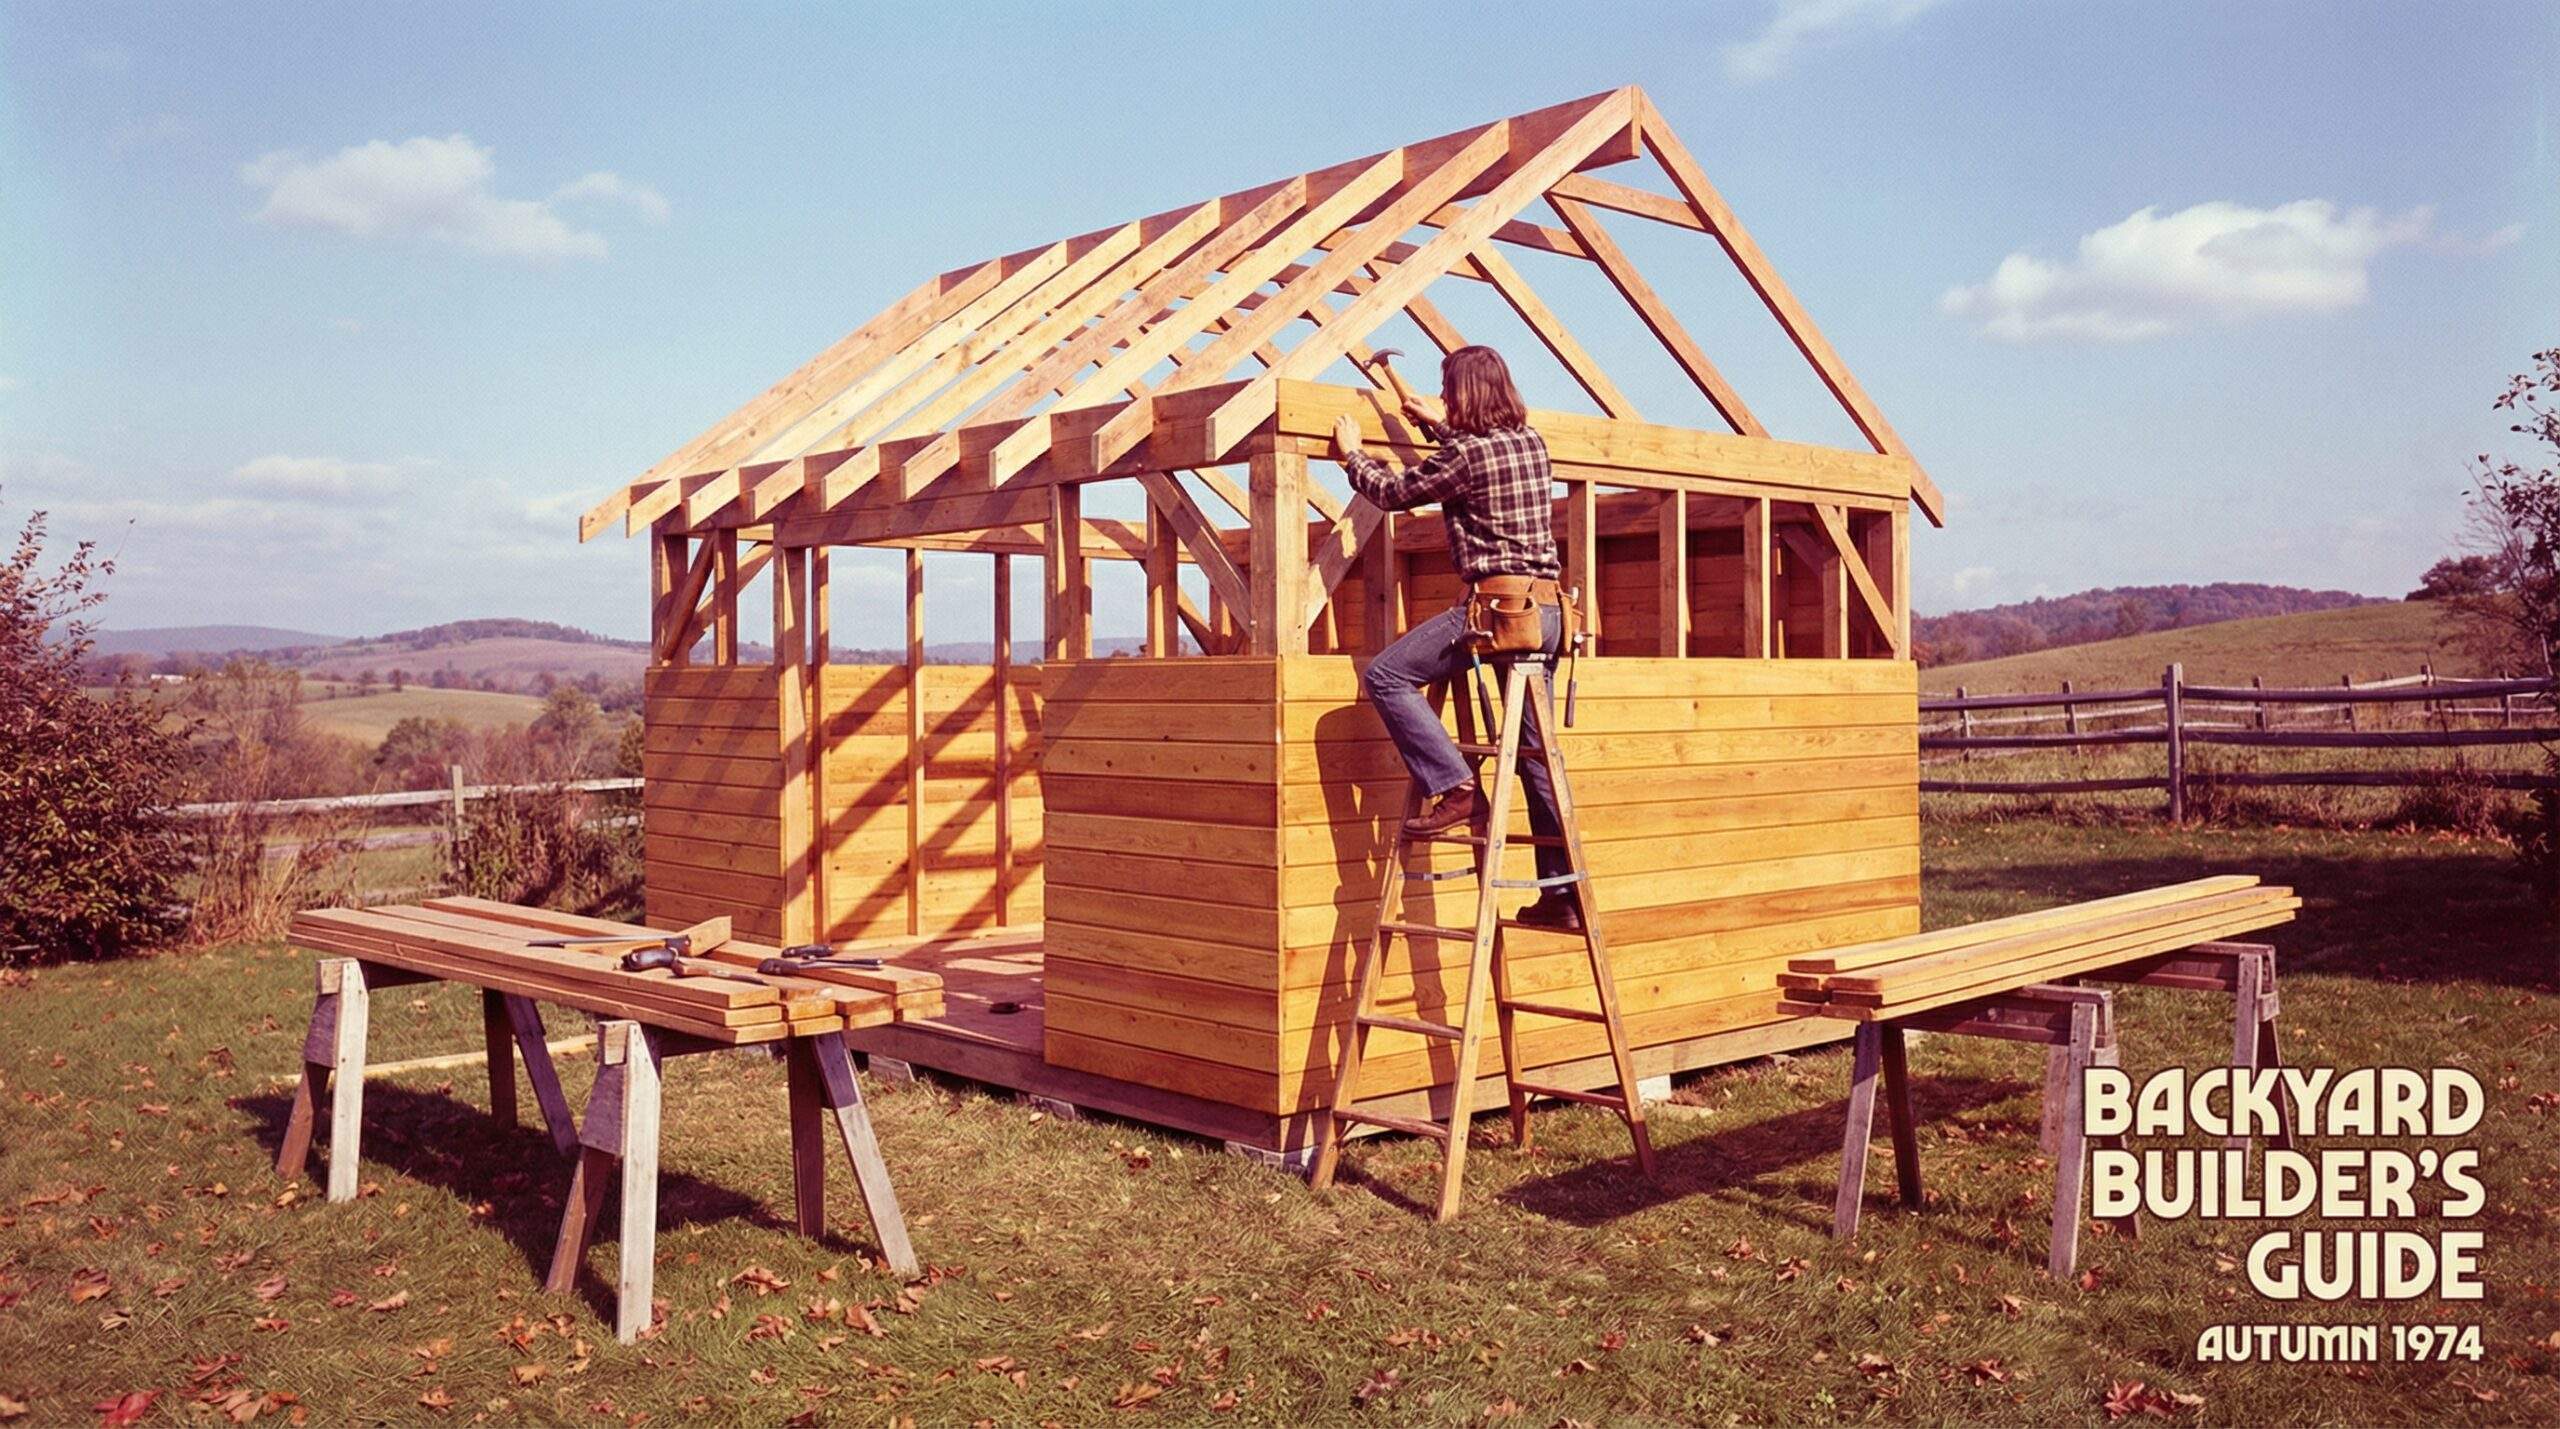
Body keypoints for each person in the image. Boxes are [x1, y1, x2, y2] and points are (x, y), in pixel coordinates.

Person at [1332, 345, 1582, 932]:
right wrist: (1434, 423)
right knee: (1534, 761)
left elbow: (1394, 494)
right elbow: (1480, 462)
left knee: (1387, 675)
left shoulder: (1466, 455)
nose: (1444, 399)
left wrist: (1351, 455)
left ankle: (1456, 785)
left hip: (1495, 612)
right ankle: (1562, 896)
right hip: (1546, 615)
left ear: (1464, 395)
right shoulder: (1532, 443)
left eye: (1448, 392)